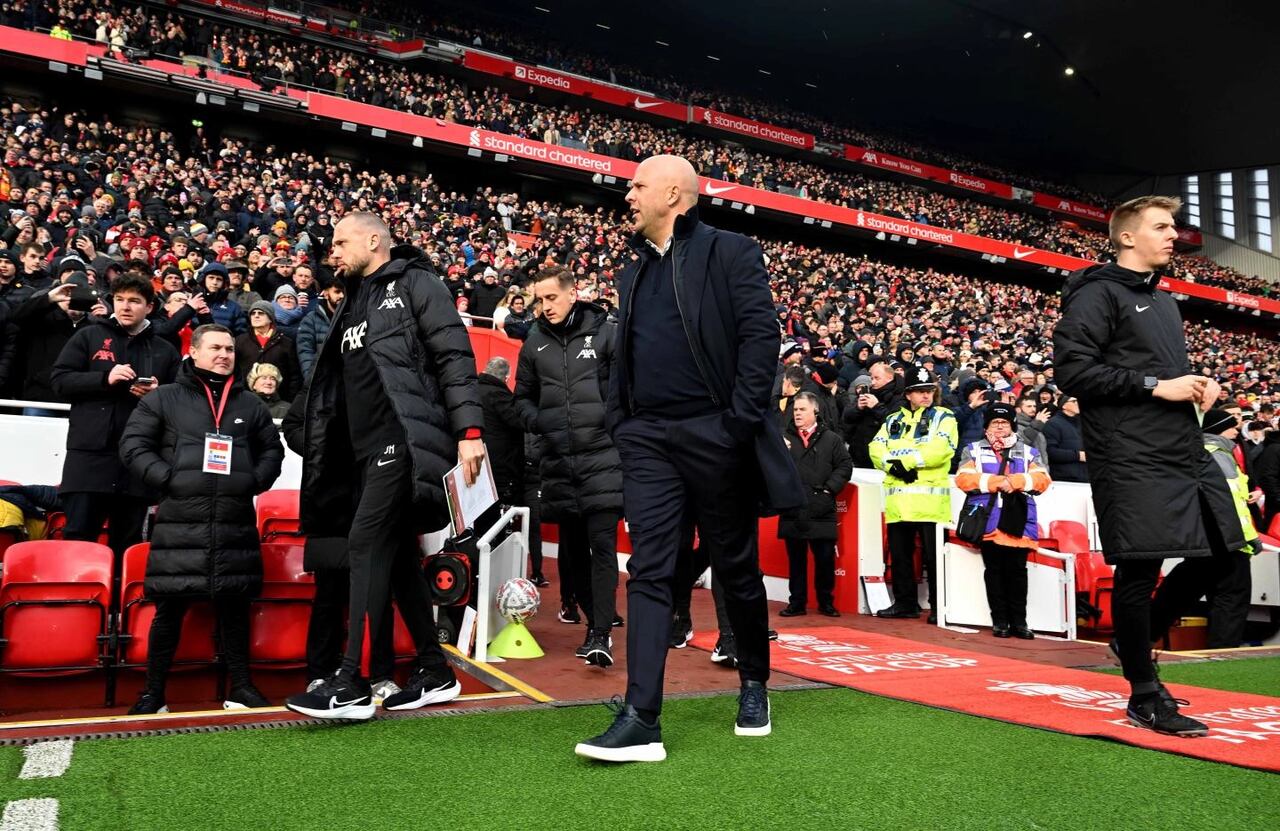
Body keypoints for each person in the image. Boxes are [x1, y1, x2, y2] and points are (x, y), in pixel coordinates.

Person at [576, 155, 804, 763]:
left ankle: (753, 681)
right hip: (648, 439)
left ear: (674, 193)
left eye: (637, 185)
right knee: (649, 569)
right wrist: (623, 421)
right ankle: (641, 718)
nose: (627, 195)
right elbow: (623, 356)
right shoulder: (631, 272)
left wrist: (735, 424)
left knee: (735, 566)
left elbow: (760, 338)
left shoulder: (731, 251)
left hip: (715, 432)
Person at [1054, 195, 1246, 738]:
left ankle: (1132, 642)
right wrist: (1155, 385)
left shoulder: (1163, 301)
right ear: (1126, 237)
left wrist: (1197, 387)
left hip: (1180, 448)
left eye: (1173, 226)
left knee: (1225, 554)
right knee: (1140, 568)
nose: (1173, 235)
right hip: (1129, 453)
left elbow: (1161, 375)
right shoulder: (1097, 293)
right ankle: (1143, 694)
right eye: (1161, 226)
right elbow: (1073, 371)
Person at [284, 212, 485, 720]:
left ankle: (352, 682)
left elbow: (454, 357)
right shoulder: (352, 301)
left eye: (341, 241)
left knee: (365, 544)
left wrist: (470, 433)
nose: (333, 251)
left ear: (374, 240)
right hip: (361, 454)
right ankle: (434, 668)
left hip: (403, 442)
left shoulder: (418, 283)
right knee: (397, 561)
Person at [119, 324, 284, 714]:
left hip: (233, 519)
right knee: (169, 610)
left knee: (235, 609)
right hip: (180, 520)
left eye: (229, 349)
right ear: (193, 351)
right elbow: (133, 445)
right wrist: (168, 478)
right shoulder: (164, 398)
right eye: (215, 348)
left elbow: (272, 451)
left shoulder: (250, 404)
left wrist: (254, 480)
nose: (224, 354)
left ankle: (241, 688)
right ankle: (153, 693)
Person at [516, 264, 622, 668]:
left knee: (603, 548)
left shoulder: (606, 333)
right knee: (573, 556)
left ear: (572, 293)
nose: (545, 306)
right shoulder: (533, 344)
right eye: (540, 300)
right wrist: (540, 422)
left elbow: (625, 392)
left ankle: (600, 632)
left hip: (603, 459)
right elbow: (521, 399)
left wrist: (610, 425)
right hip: (559, 462)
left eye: (552, 297)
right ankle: (593, 624)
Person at [51, 273, 181, 558]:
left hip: (138, 461)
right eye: (120, 299)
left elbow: (182, 403)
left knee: (128, 545)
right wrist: (104, 379)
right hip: (88, 459)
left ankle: (120, 590)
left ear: (149, 307)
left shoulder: (165, 350)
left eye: (134, 301)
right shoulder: (88, 335)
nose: (125, 306)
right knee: (78, 539)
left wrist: (158, 394)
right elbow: (59, 381)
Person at [1145, 409, 1258, 649]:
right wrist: (1247, 537)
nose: (1236, 431)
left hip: (1206, 535)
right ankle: (1223, 652)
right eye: (1232, 426)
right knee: (1230, 596)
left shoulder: (1196, 452)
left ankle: (1140, 637)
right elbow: (1229, 502)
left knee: (1185, 585)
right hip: (1228, 538)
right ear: (1219, 429)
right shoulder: (1219, 455)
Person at [954, 403, 1052, 638]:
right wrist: (1000, 482)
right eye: (994, 423)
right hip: (989, 521)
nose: (999, 427)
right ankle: (1000, 622)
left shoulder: (1029, 451)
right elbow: (964, 479)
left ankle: (1019, 622)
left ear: (1012, 426)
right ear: (986, 426)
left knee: (1017, 572)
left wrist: (1015, 482)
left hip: (1019, 521)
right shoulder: (972, 450)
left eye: (1004, 422)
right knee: (994, 572)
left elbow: (1043, 479)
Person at [870, 365, 958, 623]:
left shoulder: (944, 417)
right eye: (920, 391)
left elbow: (941, 450)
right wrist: (892, 466)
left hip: (930, 504)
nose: (926, 395)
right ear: (908, 394)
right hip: (899, 503)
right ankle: (905, 604)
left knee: (934, 559)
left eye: (929, 390)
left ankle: (939, 606)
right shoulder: (892, 420)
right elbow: (875, 447)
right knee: (900, 557)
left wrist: (905, 464)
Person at [777, 392, 853, 618]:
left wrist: (829, 489)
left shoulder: (832, 439)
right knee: (796, 561)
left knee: (825, 560)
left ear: (815, 411)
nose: (797, 413)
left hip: (822, 507)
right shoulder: (783, 438)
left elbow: (845, 466)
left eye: (802, 409)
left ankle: (826, 602)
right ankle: (796, 603)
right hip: (793, 507)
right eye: (795, 409)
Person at [477, 357, 524, 508]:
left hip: (476, 461)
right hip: (501, 467)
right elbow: (520, 422)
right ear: (506, 377)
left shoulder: (472, 391)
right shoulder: (501, 396)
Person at [841, 360, 903, 468]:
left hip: (884, 459)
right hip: (859, 456)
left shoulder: (899, 398)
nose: (873, 382)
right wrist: (858, 408)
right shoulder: (868, 393)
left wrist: (876, 407)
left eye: (877, 378)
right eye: (872, 378)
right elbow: (846, 417)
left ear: (889, 378)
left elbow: (896, 425)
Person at [235, 300, 301, 400]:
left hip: (279, 400)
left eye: (261, 313)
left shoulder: (286, 343)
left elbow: (295, 376)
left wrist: (289, 400)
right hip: (245, 399)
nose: (256, 316)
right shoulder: (240, 341)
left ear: (270, 318)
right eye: (253, 313)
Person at [296, 272, 344, 378]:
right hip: (323, 379)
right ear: (326, 294)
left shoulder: (352, 317)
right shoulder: (311, 319)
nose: (341, 296)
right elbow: (306, 351)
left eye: (344, 293)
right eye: (337, 292)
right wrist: (311, 378)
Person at [1042, 394, 1087, 482]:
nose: (1078, 403)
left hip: (1084, 477)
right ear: (1064, 405)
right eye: (1074, 401)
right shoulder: (1053, 424)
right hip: (1063, 478)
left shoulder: (1082, 423)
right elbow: (1050, 452)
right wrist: (1078, 456)